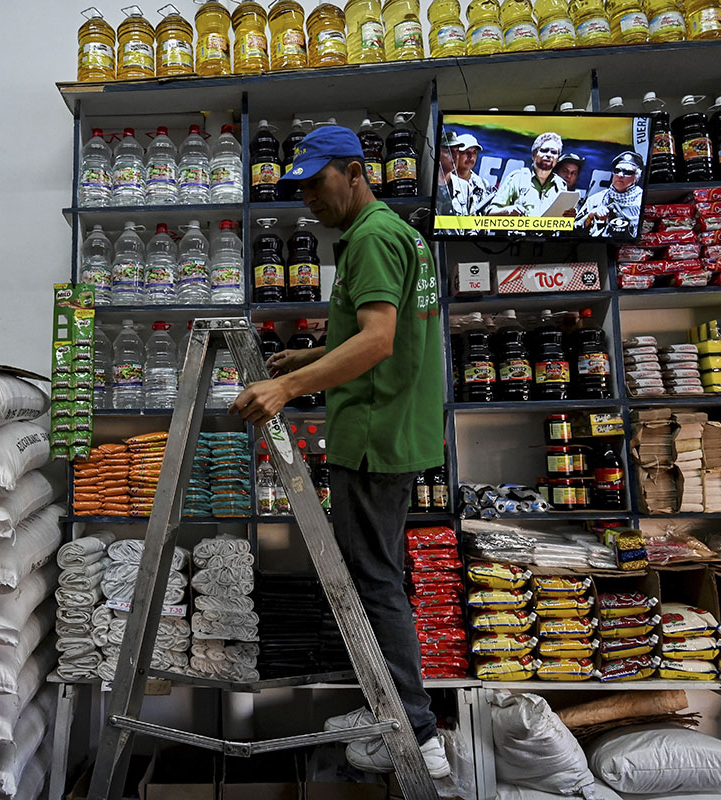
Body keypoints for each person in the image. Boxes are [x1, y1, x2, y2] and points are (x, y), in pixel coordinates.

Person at [228, 125, 448, 779]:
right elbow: (384, 333)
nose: (308, 200)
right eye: (300, 188)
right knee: (376, 579)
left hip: (376, 436)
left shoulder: (373, 238)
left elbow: (378, 342)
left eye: (318, 183)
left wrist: (287, 385)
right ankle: (395, 712)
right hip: (392, 427)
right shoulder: (393, 232)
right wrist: (314, 355)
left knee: (376, 585)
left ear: (354, 171)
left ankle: (413, 732)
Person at [484, 131, 567, 216]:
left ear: (558, 159)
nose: (549, 155)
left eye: (553, 152)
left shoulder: (561, 186)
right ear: (534, 155)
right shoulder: (516, 179)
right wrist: (508, 210)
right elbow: (490, 212)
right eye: (544, 150)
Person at [575, 150, 645, 236]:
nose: (620, 175)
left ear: (636, 178)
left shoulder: (642, 200)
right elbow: (575, 227)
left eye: (627, 172)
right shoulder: (596, 199)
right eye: (617, 170)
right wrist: (591, 215)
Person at [447, 133, 491, 215]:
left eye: (474, 152)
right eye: (466, 152)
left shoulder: (483, 184)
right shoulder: (447, 181)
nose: (471, 157)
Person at [434, 129, 461, 216]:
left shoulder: (464, 187)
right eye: (450, 151)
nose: (455, 156)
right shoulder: (427, 185)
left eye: (457, 151)